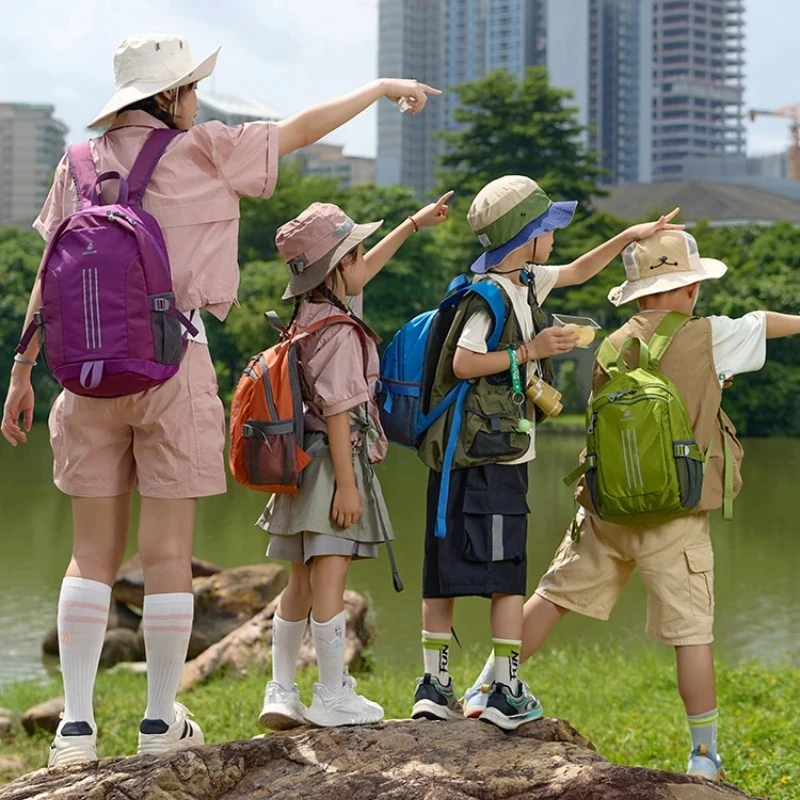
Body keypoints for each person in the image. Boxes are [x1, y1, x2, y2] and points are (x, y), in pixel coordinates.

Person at [0, 32, 439, 767]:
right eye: (191, 88)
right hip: (176, 363)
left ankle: (75, 731)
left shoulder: (76, 163)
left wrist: (21, 372)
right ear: (168, 96)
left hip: (82, 376)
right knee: (168, 553)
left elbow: (49, 273)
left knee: (88, 555)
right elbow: (297, 131)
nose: (198, 99)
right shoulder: (202, 148)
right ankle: (157, 723)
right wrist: (376, 88)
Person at [462, 228, 800, 779]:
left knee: (551, 598)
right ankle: (704, 757)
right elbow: (765, 322)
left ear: (637, 293)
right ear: (690, 289)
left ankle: (485, 688)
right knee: (692, 634)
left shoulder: (613, 344)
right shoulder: (711, 335)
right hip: (677, 515)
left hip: (606, 510)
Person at [411, 175, 683, 731]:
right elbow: (465, 363)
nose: (555, 238)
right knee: (506, 571)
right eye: (547, 228)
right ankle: (503, 690)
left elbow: (580, 269)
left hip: (463, 454)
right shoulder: (491, 298)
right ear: (524, 236)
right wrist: (533, 350)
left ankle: (435, 686)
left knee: (445, 568)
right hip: (492, 457)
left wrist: (629, 234)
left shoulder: (519, 282)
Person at [257, 194, 452, 729]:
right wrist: (348, 485)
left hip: (298, 465)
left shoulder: (309, 315)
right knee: (329, 582)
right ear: (340, 265)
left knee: (298, 582)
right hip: (332, 465)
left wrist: (411, 225)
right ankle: (332, 692)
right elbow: (342, 412)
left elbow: (363, 272)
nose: (362, 262)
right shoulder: (341, 332)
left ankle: (281, 690)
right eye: (355, 253)